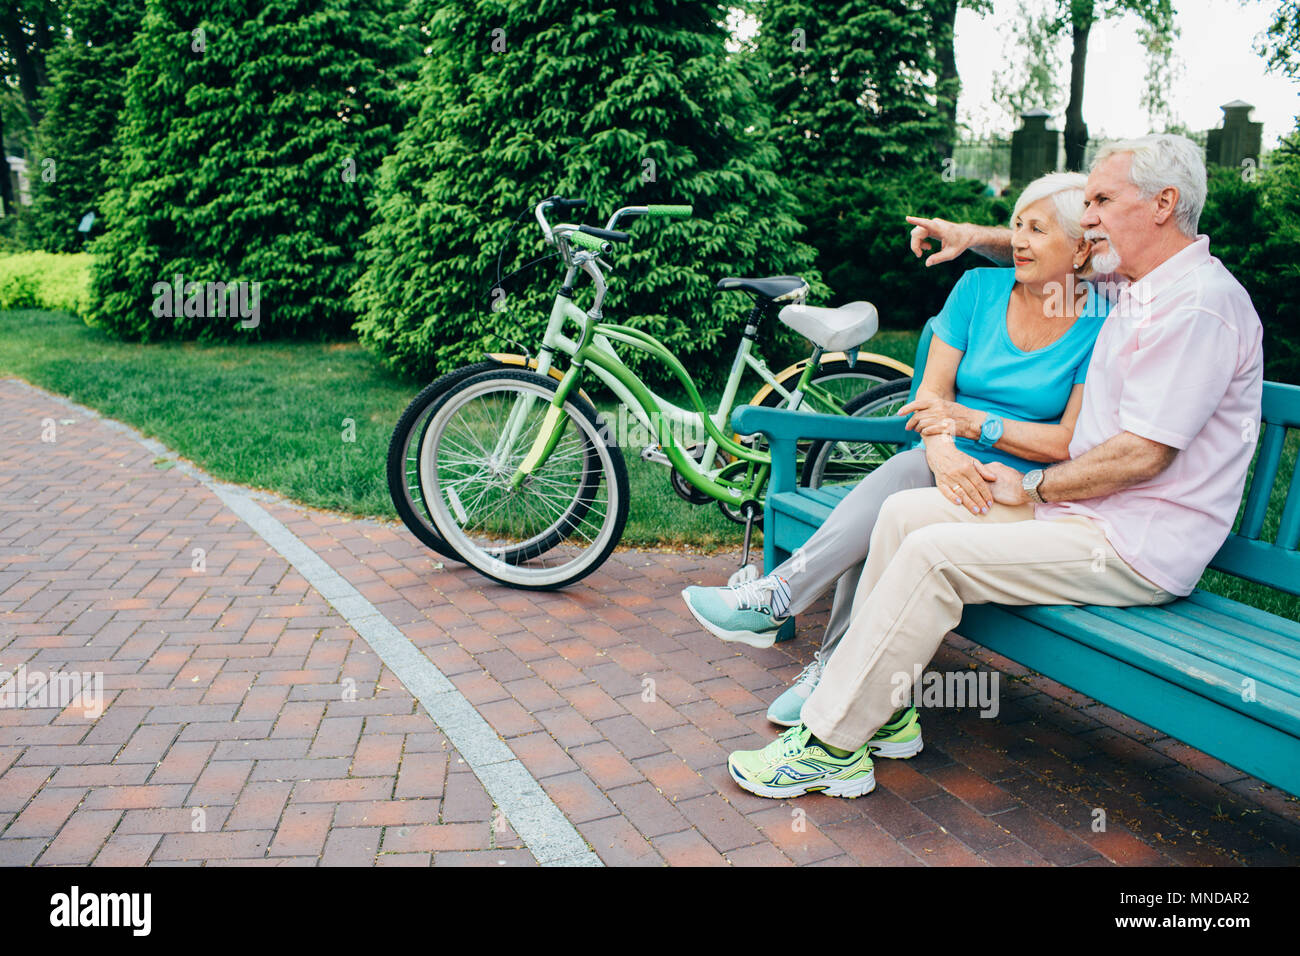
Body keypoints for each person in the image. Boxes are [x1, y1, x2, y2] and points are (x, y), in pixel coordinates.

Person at [725, 133, 1265, 799]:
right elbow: (1049, 245)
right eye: (1087, 202)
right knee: (900, 514)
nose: (1089, 215)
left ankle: (832, 743)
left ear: (1163, 205)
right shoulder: (1136, 284)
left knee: (932, 555)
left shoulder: (1197, 307)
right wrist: (969, 232)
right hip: (1077, 513)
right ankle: (887, 711)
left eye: (1102, 199)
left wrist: (1032, 481)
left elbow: (1142, 455)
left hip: (1132, 545)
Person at [682, 171, 1107, 739]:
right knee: (903, 489)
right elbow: (931, 396)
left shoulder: (1100, 320)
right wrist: (945, 451)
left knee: (896, 502)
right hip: (940, 457)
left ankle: (788, 610)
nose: (1021, 241)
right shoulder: (979, 290)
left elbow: (1063, 442)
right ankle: (817, 648)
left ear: (1081, 247)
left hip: (1014, 482)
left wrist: (975, 429)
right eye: (1016, 227)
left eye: (1037, 230)